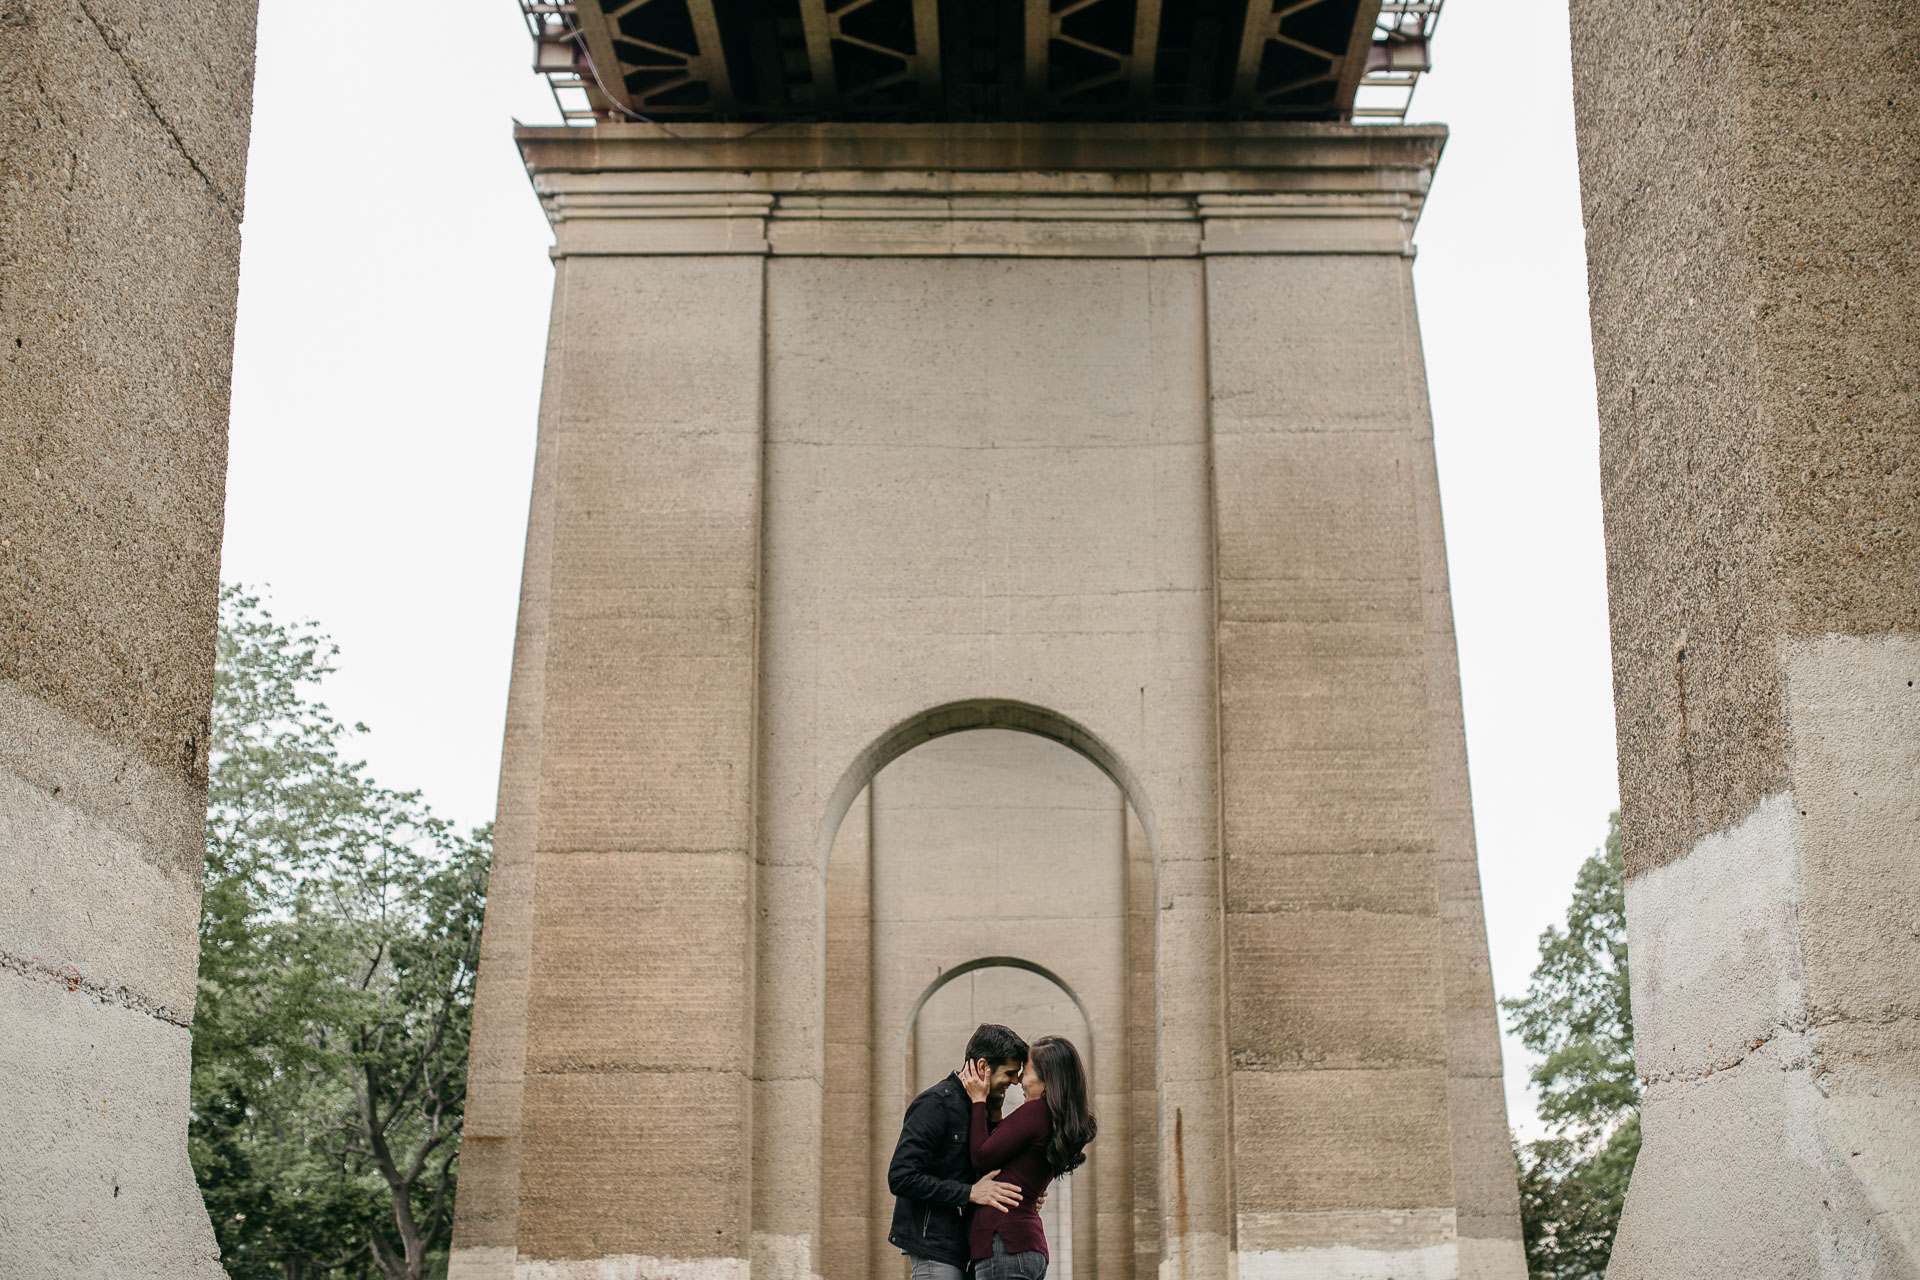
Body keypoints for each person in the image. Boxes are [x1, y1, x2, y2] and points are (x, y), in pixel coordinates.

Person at [887, 1024, 1030, 1280]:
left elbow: (989, 1170)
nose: (1015, 1081)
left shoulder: (983, 1108)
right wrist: (969, 1192)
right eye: (1010, 1073)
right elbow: (901, 1176)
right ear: (984, 1067)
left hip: (971, 1250)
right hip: (935, 1250)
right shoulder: (934, 1104)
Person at [959, 1035, 1097, 1280]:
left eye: (1027, 1072)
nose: (1020, 1080)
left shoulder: (1035, 1112)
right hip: (1025, 1247)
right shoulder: (1055, 1120)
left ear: (1047, 1081)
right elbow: (1007, 1155)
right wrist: (994, 1111)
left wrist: (979, 1101)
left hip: (1005, 1245)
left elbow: (981, 1156)